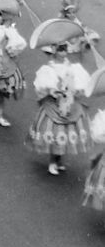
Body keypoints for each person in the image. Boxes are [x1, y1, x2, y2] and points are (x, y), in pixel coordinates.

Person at [27, 42, 91, 175]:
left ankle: (59, 160)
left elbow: (80, 85)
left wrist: (75, 91)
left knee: (66, 133)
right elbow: (42, 87)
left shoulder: (74, 68)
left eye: (65, 49)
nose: (63, 52)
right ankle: (52, 161)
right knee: (55, 132)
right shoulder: (48, 69)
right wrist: (52, 91)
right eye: (60, 49)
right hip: (54, 105)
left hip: (69, 103)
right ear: (54, 51)